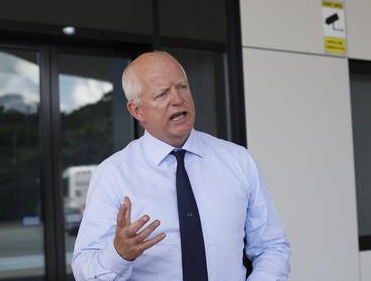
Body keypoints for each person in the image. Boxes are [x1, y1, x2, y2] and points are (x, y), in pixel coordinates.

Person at [72, 51, 290, 280]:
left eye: (182, 87)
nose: (177, 99)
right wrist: (119, 254)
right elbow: (85, 271)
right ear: (136, 110)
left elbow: (272, 247)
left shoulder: (238, 160)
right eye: (162, 94)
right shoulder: (113, 174)